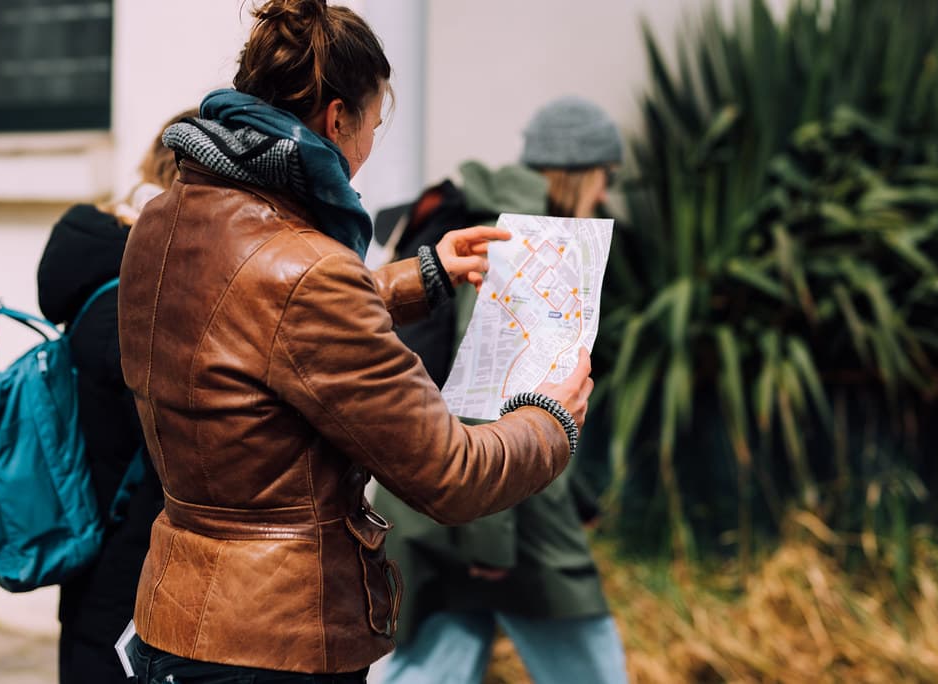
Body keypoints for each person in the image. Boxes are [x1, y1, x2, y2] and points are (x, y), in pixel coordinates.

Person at [116, 2, 593, 683]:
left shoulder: (161, 223)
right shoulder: (308, 272)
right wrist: (552, 420)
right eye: (373, 123)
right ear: (337, 120)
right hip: (278, 642)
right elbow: (450, 473)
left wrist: (420, 275)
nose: (369, 147)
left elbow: (251, 317)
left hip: (176, 613)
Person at [372, 96, 628, 684]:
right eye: (606, 178)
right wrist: (489, 542)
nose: (607, 196)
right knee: (593, 671)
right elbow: (493, 399)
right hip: (507, 516)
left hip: (432, 507)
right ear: (579, 172)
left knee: (435, 663)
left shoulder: (466, 216)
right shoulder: (536, 243)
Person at [37, 108, 196, 684]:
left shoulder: (102, 269)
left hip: (93, 557)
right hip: (131, 584)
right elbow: (176, 454)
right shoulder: (143, 296)